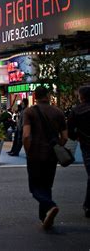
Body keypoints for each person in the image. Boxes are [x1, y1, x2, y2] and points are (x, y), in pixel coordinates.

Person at [23, 86, 68, 230]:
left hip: (35, 153)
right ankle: (46, 218)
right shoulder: (58, 112)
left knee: (35, 188)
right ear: (48, 96)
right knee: (47, 185)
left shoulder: (29, 112)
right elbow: (65, 137)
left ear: (35, 96)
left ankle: (50, 206)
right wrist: (57, 146)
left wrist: (28, 150)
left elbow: (26, 135)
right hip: (51, 154)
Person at [67, 85, 90, 218]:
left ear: (81, 96)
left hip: (86, 144)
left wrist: (78, 137)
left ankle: (88, 205)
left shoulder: (76, 110)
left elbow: (70, 131)